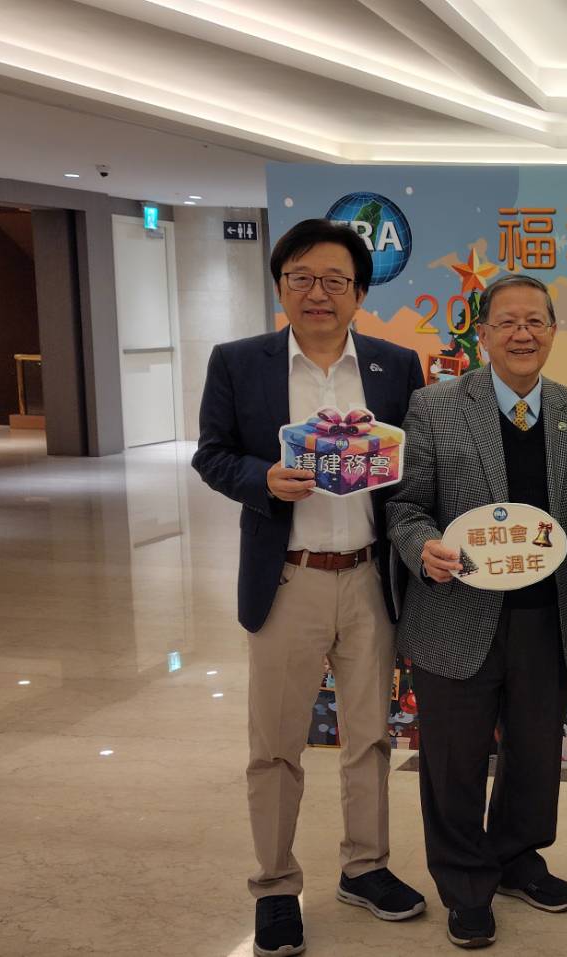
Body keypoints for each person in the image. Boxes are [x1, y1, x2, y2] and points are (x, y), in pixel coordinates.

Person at [192, 218, 427, 957]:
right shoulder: (240, 363)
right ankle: (274, 884)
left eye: (334, 280)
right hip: (286, 578)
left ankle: (365, 867)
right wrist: (262, 479)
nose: (317, 293)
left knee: (369, 737)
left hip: (368, 577)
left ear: (360, 293)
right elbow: (211, 454)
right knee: (275, 743)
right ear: (280, 286)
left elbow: (414, 468)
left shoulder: (395, 366)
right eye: (301, 278)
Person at [386, 273, 567, 949]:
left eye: (535, 321)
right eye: (506, 322)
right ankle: (464, 883)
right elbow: (405, 507)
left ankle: (517, 858)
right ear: (482, 334)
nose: (522, 334)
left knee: (535, 754)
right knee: (453, 761)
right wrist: (423, 548)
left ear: (553, 331)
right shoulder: (435, 406)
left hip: (548, 617)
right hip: (455, 612)